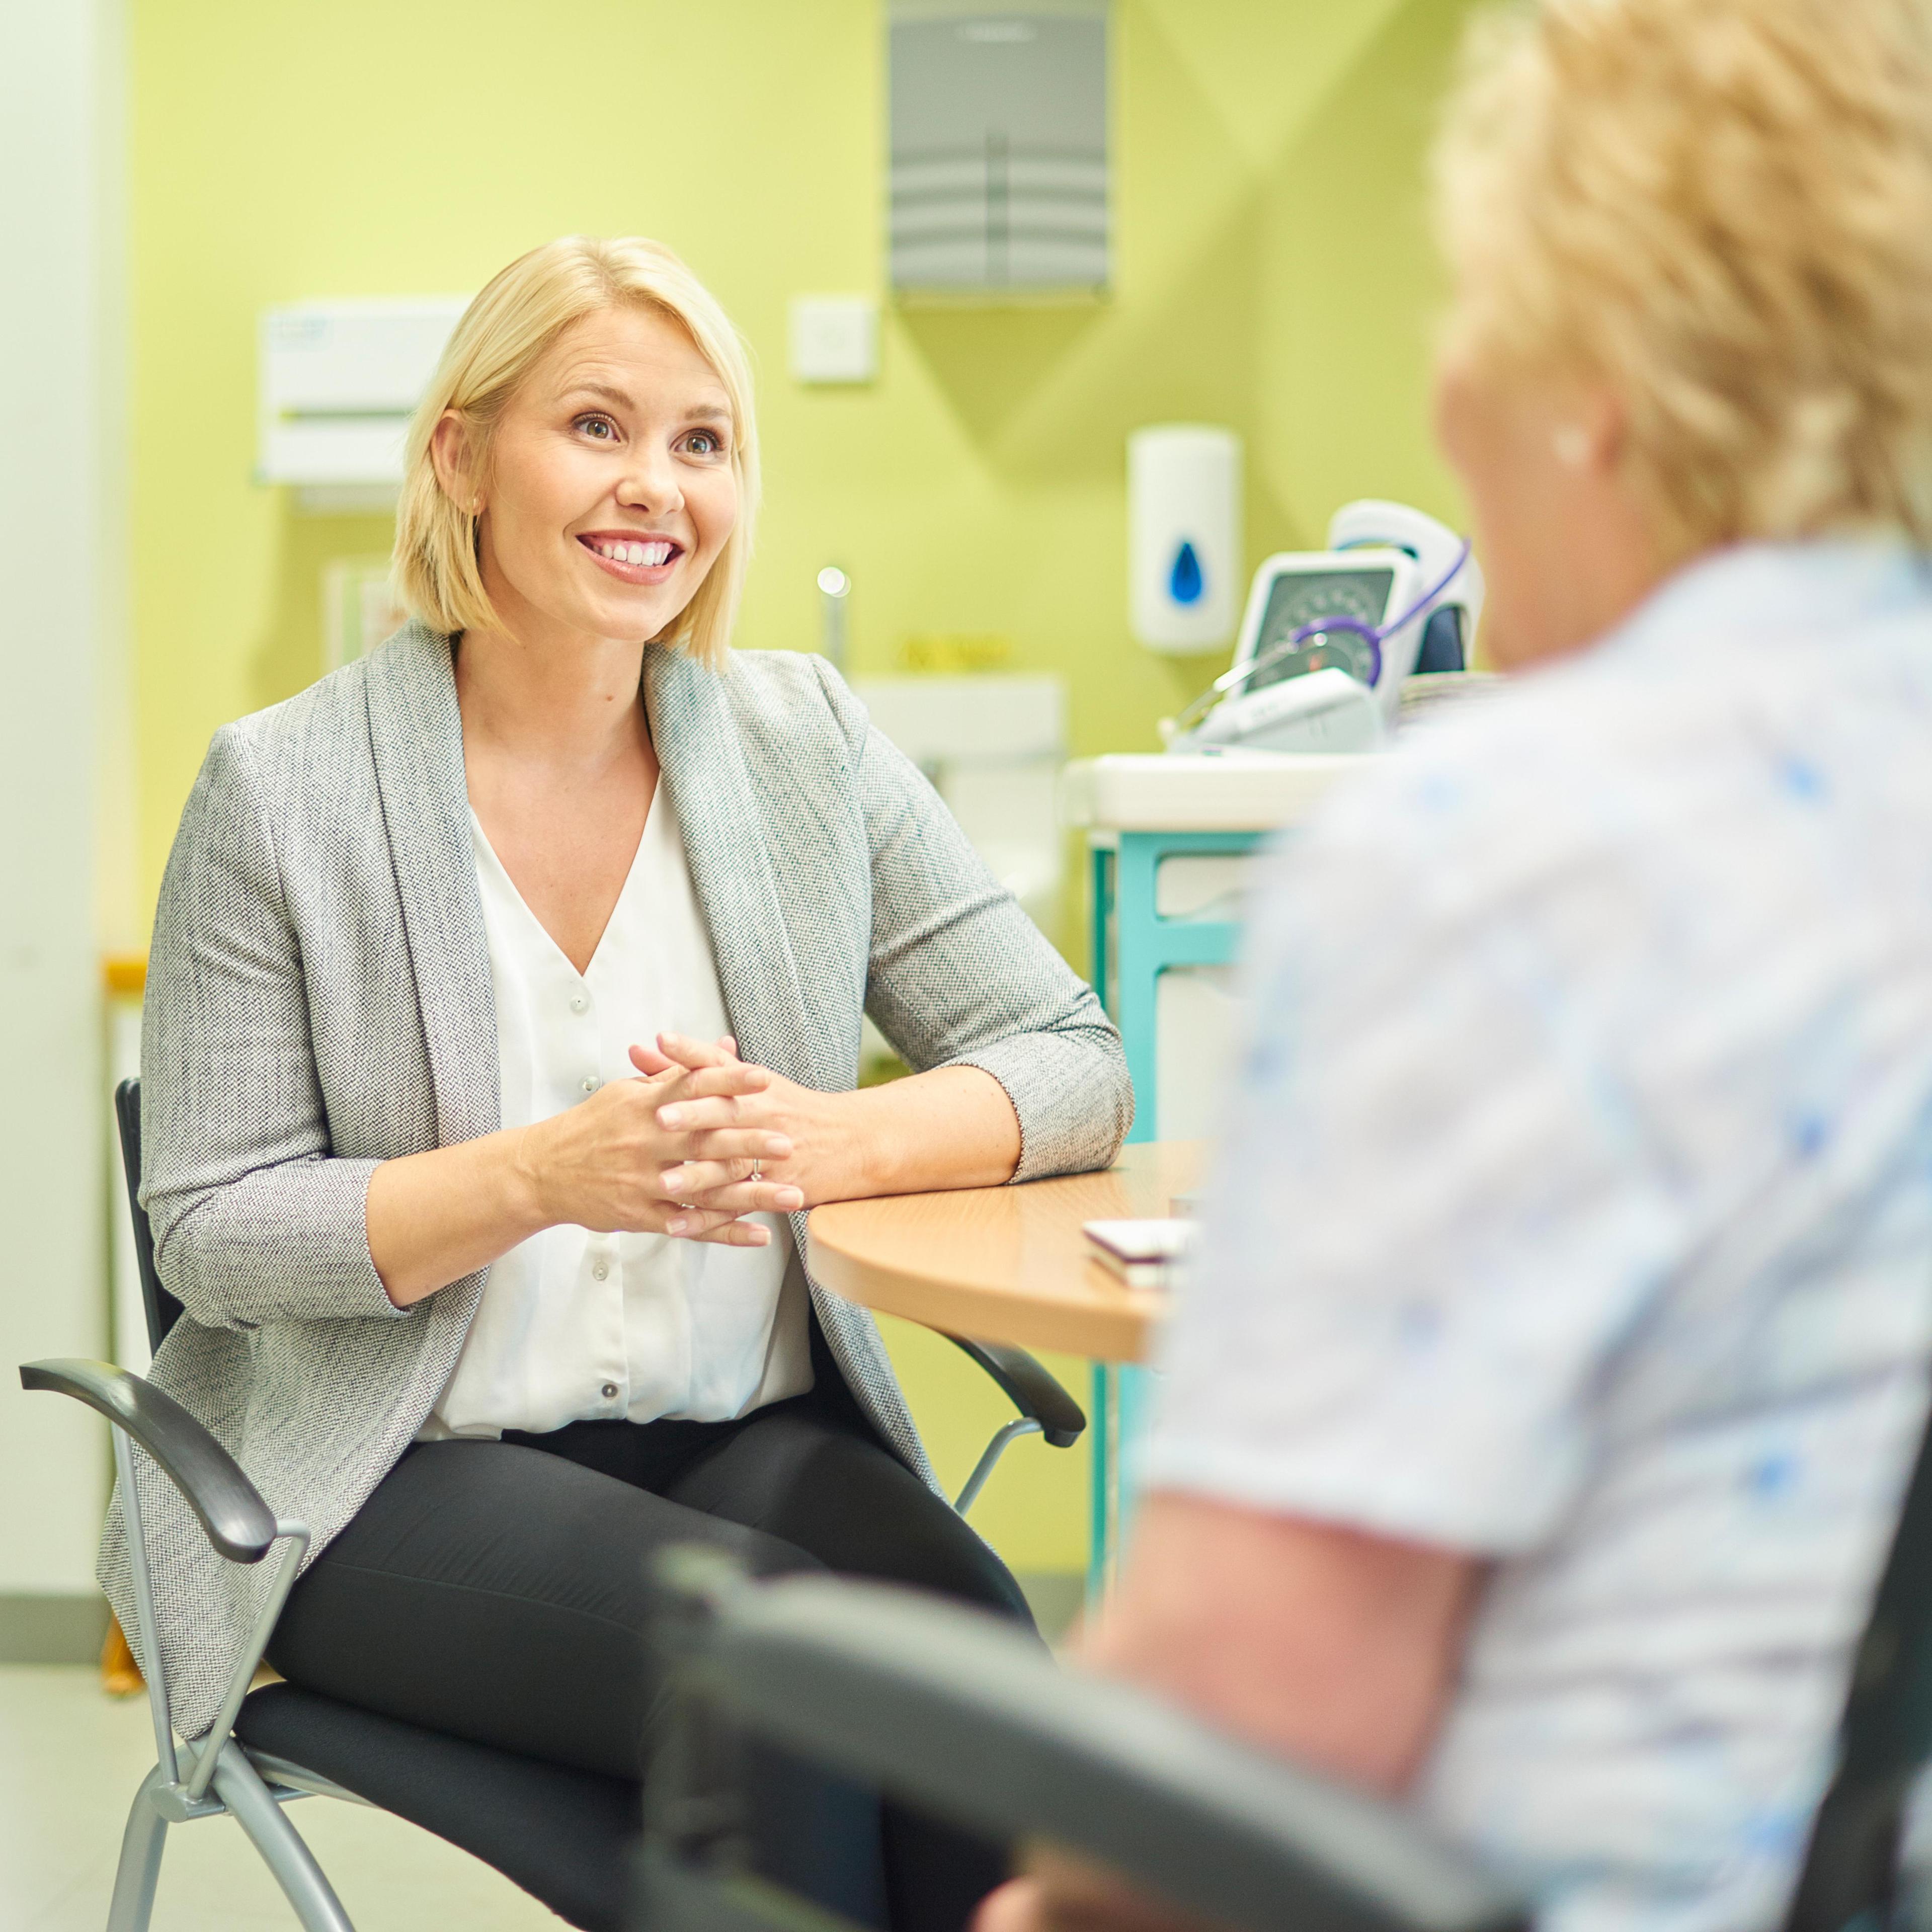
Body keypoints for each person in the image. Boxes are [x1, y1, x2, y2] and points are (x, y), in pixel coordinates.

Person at [981, 2, 1932, 1929]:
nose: (1440, 395)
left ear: (1600, 382)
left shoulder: (1509, 850)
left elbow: (1243, 1727)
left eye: (1470, 309)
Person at [104, 234, 1131, 1931]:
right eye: (596, 425)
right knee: (766, 1675)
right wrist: (541, 1175)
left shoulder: (806, 749)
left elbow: (1072, 1059)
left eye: (703, 441)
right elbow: (211, 1230)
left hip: (744, 1432)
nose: (655, 485)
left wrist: (834, 1137)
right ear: (461, 455)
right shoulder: (282, 792)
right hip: (387, 1474)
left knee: (971, 1665)